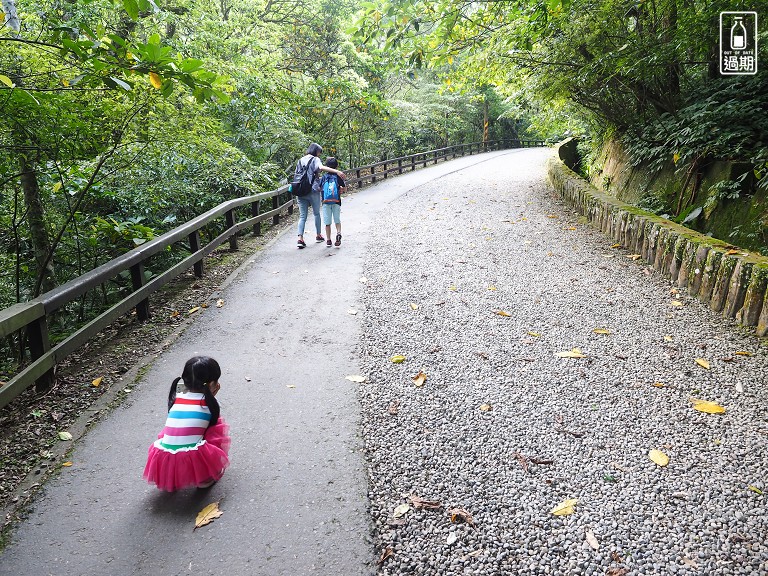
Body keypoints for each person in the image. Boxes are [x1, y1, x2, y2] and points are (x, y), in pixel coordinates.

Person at [143, 356, 231, 491]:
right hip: (191, 457)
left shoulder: (178, 392)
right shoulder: (208, 403)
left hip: (163, 456)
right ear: (212, 384)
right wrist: (212, 395)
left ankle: (171, 477)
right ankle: (204, 477)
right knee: (215, 426)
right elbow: (209, 425)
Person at [294, 143, 346, 248]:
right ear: (316, 151)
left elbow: (297, 175)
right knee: (316, 213)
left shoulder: (300, 160)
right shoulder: (315, 159)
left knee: (302, 216)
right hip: (313, 190)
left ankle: (300, 238)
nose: (319, 155)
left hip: (300, 190)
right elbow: (321, 168)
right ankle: (318, 235)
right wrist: (337, 171)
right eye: (319, 152)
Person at [320, 157, 345, 247]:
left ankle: (328, 240)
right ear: (336, 166)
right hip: (336, 201)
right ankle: (338, 233)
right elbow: (344, 188)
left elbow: (320, 188)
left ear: (327, 166)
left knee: (327, 222)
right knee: (337, 220)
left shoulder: (324, 177)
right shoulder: (338, 176)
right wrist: (341, 189)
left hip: (326, 202)